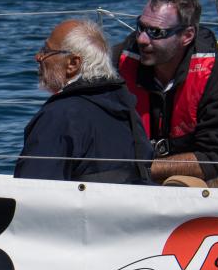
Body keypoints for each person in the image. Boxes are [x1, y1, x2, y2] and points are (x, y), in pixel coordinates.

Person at [113, 0, 218, 187]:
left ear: (187, 36)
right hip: (126, 173)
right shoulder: (117, 63)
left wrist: (142, 169)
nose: (142, 39)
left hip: (196, 176)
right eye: (141, 27)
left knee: (177, 189)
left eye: (156, 32)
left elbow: (214, 157)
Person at [15, 19, 151, 184]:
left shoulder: (59, 115)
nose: (38, 57)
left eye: (46, 51)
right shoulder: (124, 104)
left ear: (73, 64)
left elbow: (31, 187)